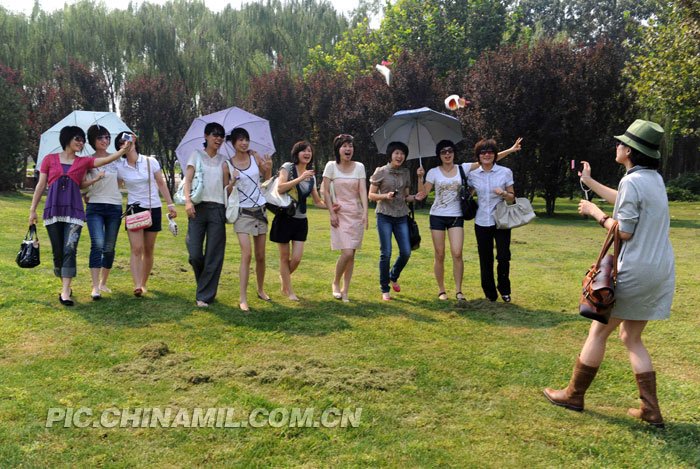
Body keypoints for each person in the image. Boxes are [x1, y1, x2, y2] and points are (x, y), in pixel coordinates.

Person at [544, 120, 673, 428]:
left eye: (621, 143)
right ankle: (650, 411)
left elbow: (624, 231)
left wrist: (594, 213)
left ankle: (574, 395)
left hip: (635, 269)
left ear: (629, 150)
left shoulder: (633, 181)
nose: (617, 146)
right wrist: (591, 182)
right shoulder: (652, 178)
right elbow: (626, 201)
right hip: (660, 270)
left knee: (598, 332)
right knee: (631, 337)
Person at [28, 126, 131, 306]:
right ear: (67, 138)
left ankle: (66, 291)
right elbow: (40, 185)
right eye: (78, 138)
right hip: (53, 211)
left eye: (83, 140)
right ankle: (64, 284)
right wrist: (32, 210)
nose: (81, 142)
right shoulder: (49, 160)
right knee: (58, 251)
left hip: (75, 212)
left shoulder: (83, 161)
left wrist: (122, 150)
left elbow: (106, 159)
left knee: (70, 248)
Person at [418, 138, 521, 304]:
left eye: (450, 151)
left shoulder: (474, 169)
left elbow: (489, 160)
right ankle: (454, 291)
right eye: (443, 152)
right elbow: (422, 194)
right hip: (463, 218)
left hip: (485, 218)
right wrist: (419, 178)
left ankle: (490, 290)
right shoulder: (449, 172)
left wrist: (510, 150)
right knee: (455, 255)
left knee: (492, 256)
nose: (447, 154)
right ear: (439, 155)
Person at [115, 131, 177, 297]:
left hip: (153, 208)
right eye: (122, 142)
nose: (126, 143)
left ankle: (143, 283)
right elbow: (115, 186)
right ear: (119, 147)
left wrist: (170, 204)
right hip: (134, 209)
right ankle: (136, 285)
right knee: (136, 248)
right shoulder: (120, 166)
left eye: (128, 139)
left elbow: (161, 183)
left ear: (135, 141)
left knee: (148, 249)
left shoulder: (150, 161)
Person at [368, 141, 425, 301]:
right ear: (391, 154)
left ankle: (393, 275)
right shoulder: (381, 171)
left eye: (402, 154)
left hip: (401, 216)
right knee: (386, 253)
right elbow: (371, 195)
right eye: (397, 153)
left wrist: (415, 197)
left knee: (406, 252)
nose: (399, 156)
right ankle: (385, 288)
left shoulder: (406, 172)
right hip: (384, 215)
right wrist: (385, 196)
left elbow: (406, 196)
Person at [223, 127, 272, 312]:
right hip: (242, 212)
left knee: (260, 256)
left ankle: (260, 289)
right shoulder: (227, 164)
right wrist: (232, 181)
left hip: (260, 209)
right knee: (247, 254)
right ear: (233, 143)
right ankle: (242, 297)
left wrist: (267, 169)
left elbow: (266, 182)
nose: (244, 143)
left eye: (246, 139)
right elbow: (225, 192)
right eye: (240, 140)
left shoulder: (255, 157)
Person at [271, 141, 327, 300]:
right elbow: (280, 188)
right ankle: (289, 291)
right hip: (284, 217)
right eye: (304, 150)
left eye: (309, 151)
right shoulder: (287, 167)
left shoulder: (311, 177)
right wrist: (300, 178)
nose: (307, 153)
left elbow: (317, 201)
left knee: (296, 258)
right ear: (297, 153)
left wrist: (331, 207)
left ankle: (284, 278)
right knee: (284, 257)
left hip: (301, 221)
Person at [184, 122, 231, 307]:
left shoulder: (224, 161)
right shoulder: (196, 155)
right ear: (206, 136)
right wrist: (188, 202)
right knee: (194, 253)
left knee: (214, 254)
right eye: (214, 134)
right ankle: (205, 284)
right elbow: (187, 180)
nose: (218, 138)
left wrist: (231, 180)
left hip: (217, 208)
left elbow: (226, 190)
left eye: (221, 136)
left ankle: (204, 295)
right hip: (198, 208)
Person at [468, 138, 518, 303]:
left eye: (490, 152)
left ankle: (504, 289)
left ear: (495, 155)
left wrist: (503, 194)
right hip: (481, 221)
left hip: (501, 220)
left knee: (503, 256)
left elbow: (512, 198)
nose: (487, 155)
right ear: (478, 156)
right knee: (485, 258)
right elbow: (468, 193)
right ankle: (490, 294)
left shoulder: (505, 172)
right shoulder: (473, 175)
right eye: (483, 152)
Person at [322, 134, 368, 302]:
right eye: (344, 146)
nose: (348, 149)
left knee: (352, 254)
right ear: (338, 149)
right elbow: (326, 191)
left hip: (355, 213)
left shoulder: (359, 167)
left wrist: (365, 212)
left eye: (350, 146)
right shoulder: (331, 166)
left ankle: (345, 290)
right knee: (347, 252)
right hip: (339, 213)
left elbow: (363, 190)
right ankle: (335, 282)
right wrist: (331, 213)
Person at [80, 125, 123, 300]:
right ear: (92, 141)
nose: (104, 141)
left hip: (114, 206)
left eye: (106, 137)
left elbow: (120, 181)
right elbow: (82, 184)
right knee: (97, 244)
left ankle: (103, 282)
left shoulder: (116, 159)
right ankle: (95, 286)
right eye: (100, 138)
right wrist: (95, 180)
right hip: (95, 207)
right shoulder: (87, 161)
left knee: (109, 247)